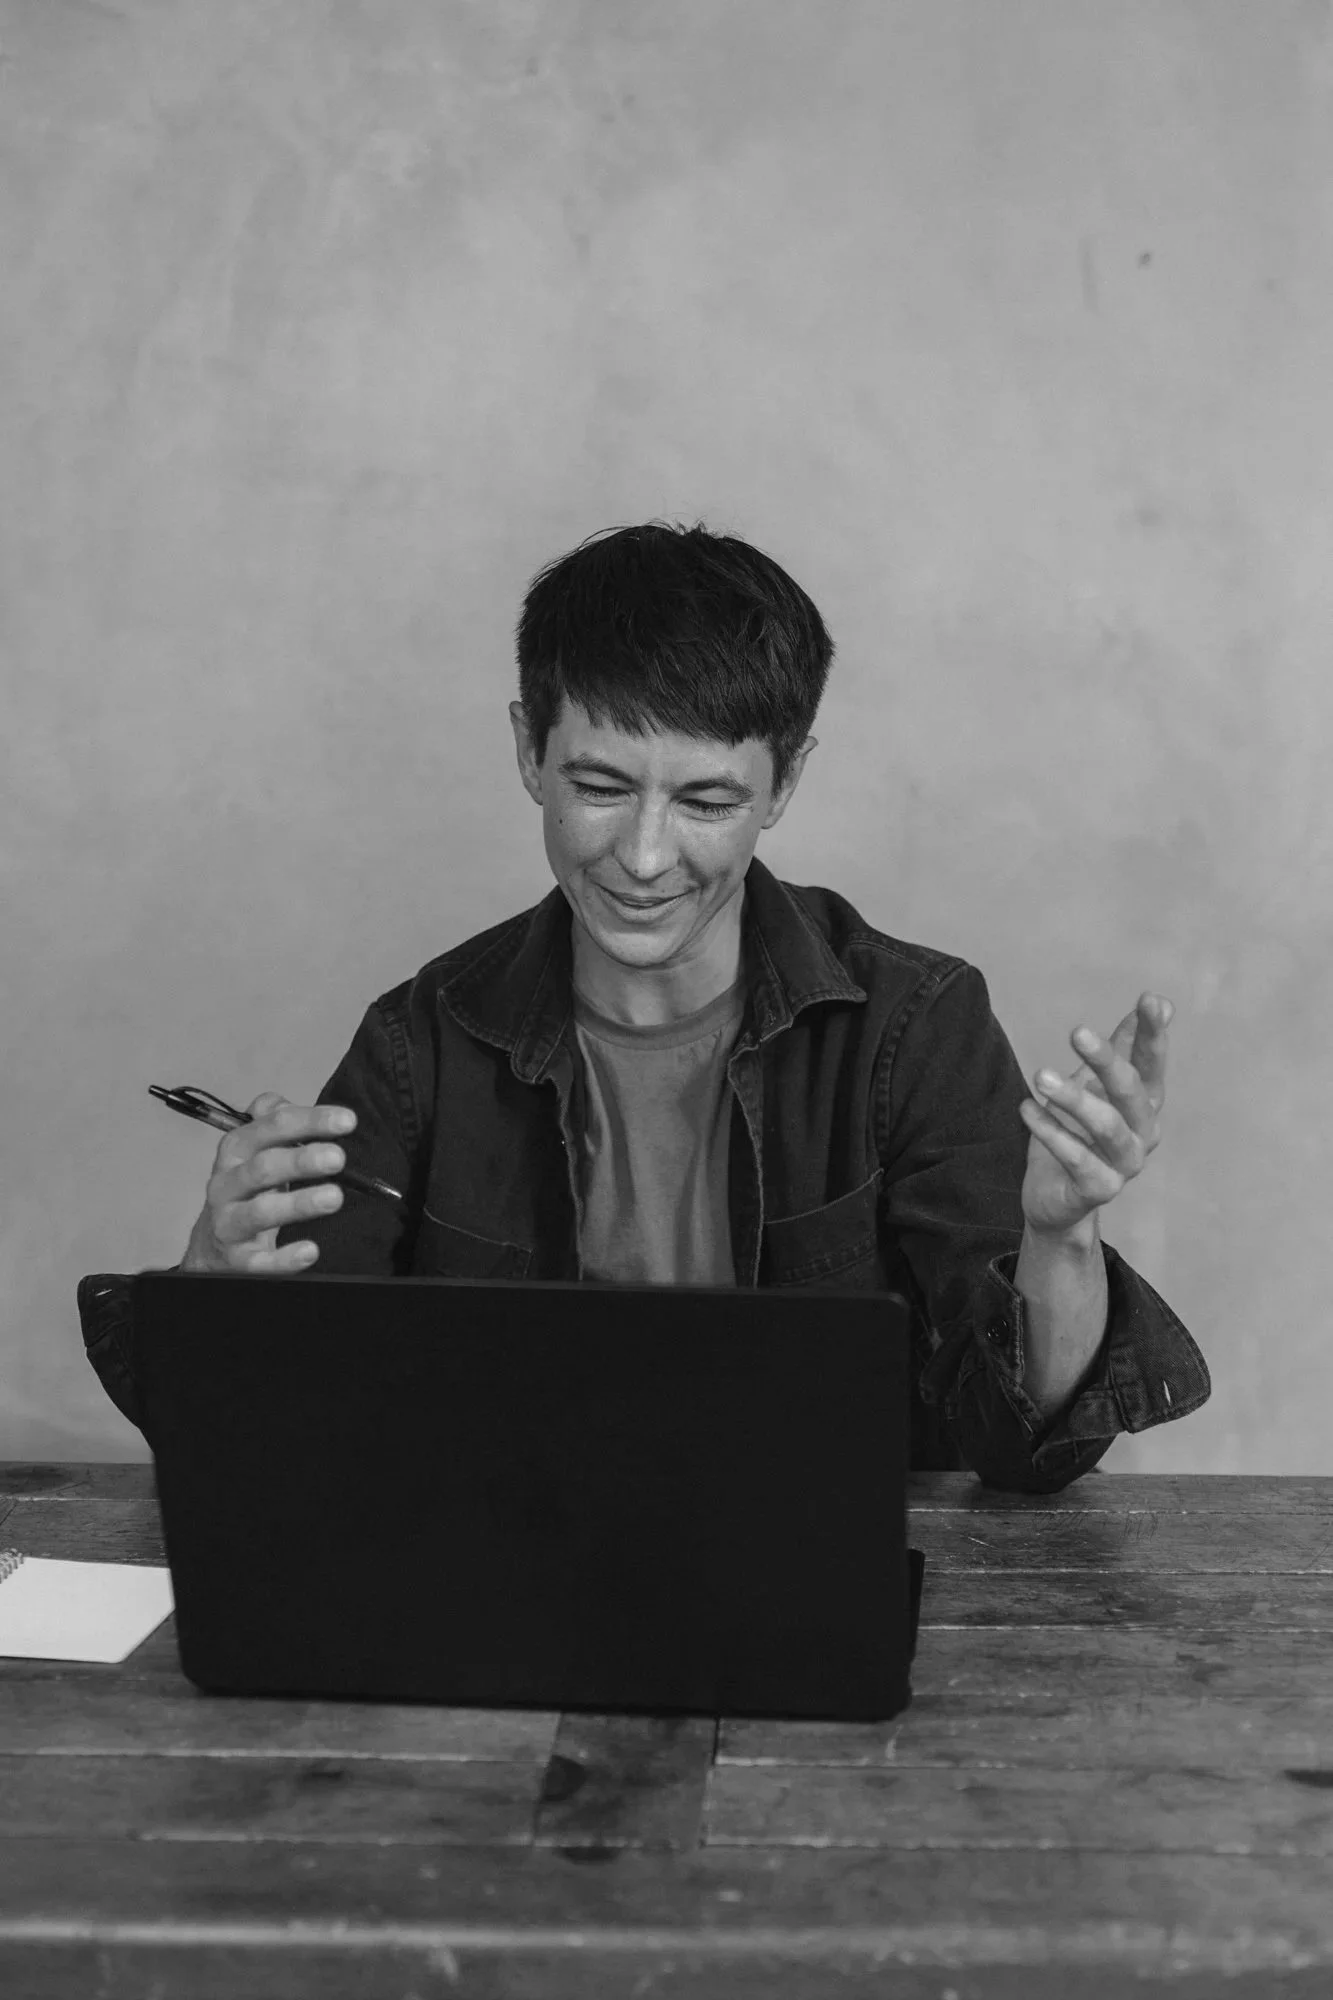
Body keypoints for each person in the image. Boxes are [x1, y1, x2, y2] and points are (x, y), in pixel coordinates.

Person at [80, 521, 1209, 1490]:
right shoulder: (418, 1043)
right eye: (600, 786)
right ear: (528, 749)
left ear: (786, 784)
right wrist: (213, 1284)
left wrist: (1060, 1237)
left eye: (708, 798)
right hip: (505, 1586)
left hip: (818, 1575)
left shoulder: (913, 1023)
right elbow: (274, 1437)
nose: (645, 854)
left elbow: (1023, 1448)